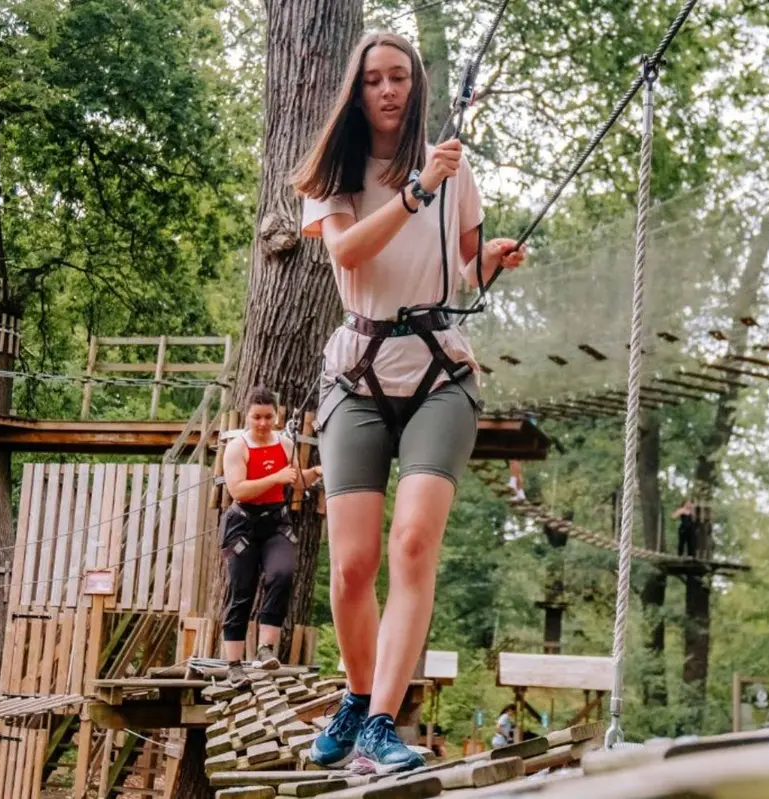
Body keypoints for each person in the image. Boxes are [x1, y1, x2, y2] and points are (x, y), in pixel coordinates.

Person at [294, 31, 527, 774]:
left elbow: (459, 272)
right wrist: (419, 187)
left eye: (400, 77)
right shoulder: (336, 171)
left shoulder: (456, 172)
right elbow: (347, 253)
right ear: (357, 92)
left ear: (416, 87)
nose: (389, 90)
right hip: (356, 374)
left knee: (413, 544)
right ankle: (358, 698)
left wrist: (488, 261)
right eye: (374, 80)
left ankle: (383, 719)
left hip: (440, 375)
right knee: (352, 565)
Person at [220, 386, 322, 684]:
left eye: (268, 417)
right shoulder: (237, 448)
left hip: (276, 522)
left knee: (282, 573)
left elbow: (297, 480)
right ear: (248, 416)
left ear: (276, 417)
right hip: (242, 523)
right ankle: (234, 664)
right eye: (256, 417)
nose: (262, 424)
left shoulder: (286, 444)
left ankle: (265, 648)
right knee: (242, 591)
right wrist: (275, 477)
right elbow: (237, 489)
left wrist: (316, 470)